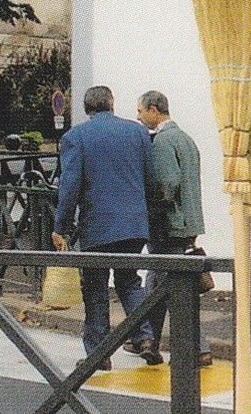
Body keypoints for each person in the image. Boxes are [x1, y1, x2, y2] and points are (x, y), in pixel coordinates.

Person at [52, 85, 155, 367]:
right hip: (134, 223)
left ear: (87, 109)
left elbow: (70, 187)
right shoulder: (137, 132)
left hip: (97, 224)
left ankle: (99, 354)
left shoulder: (76, 137)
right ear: (112, 103)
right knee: (129, 281)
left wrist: (60, 226)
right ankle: (145, 337)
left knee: (95, 287)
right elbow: (149, 177)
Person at [132, 90, 210, 366]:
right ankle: (150, 340)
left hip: (169, 223)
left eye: (141, 111)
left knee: (166, 284)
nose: (139, 117)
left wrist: (151, 205)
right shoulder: (186, 139)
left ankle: (175, 344)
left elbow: (167, 184)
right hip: (188, 221)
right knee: (162, 282)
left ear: (154, 110)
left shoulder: (163, 142)